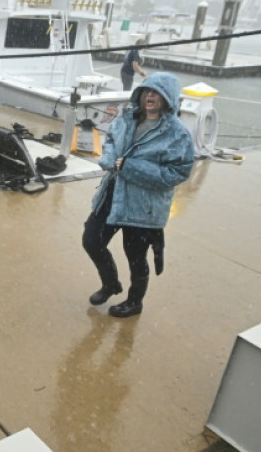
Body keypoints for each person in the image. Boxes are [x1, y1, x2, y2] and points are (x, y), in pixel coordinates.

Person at [82, 72, 194, 318]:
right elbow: (111, 140)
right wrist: (109, 159)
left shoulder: (178, 135)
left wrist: (130, 167)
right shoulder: (126, 118)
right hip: (113, 195)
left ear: (168, 98)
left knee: (136, 257)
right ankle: (111, 283)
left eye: (156, 92)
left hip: (144, 206)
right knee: (91, 240)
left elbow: (178, 172)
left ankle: (134, 302)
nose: (150, 96)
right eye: (146, 91)